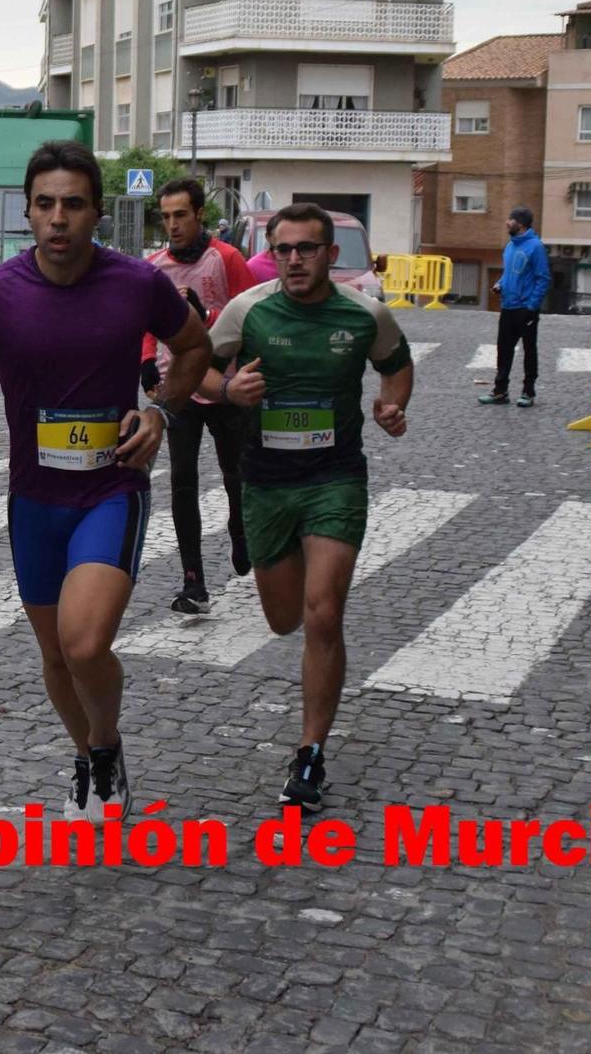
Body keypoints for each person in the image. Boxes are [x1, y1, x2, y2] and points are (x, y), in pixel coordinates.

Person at [0, 140, 211, 820]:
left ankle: (104, 743)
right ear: (27, 212)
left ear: (96, 214)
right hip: (34, 500)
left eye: (73, 205)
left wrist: (160, 410)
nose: (58, 219)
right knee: (55, 656)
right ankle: (90, 758)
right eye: (45, 205)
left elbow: (194, 347)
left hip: (111, 489)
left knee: (84, 643)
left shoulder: (136, 283)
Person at [205, 203, 413, 812]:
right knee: (282, 620)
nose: (296, 259)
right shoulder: (248, 311)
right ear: (272, 252)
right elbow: (201, 369)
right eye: (285, 249)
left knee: (323, 615)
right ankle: (288, 563)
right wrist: (227, 389)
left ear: (331, 254)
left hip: (334, 477)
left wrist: (390, 407)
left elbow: (396, 368)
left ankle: (310, 755)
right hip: (266, 481)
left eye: (309, 248)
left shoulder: (364, 313)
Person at [142, 177, 254, 613]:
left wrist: (205, 313)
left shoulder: (225, 257)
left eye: (181, 215)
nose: (173, 224)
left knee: (234, 474)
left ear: (199, 215)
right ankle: (194, 582)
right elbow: (147, 323)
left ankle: (240, 528)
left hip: (225, 387)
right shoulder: (154, 267)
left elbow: (252, 315)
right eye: (166, 216)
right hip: (179, 388)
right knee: (182, 483)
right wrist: (146, 360)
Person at [480, 205, 549, 408]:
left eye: (510, 219)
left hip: (526, 308)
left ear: (520, 223)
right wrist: (500, 284)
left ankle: (528, 391)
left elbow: (543, 278)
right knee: (503, 349)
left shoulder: (536, 247)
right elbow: (509, 273)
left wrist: (532, 305)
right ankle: (500, 391)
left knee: (529, 350)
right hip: (508, 306)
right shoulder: (510, 246)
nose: (506, 222)